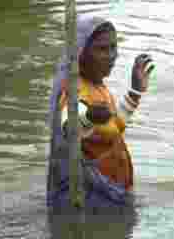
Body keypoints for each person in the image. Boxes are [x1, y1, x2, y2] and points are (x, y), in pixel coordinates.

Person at [46, 15, 154, 212]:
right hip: (90, 201)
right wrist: (88, 117)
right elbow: (69, 126)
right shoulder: (74, 90)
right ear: (80, 53)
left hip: (110, 193)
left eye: (114, 47)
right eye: (102, 49)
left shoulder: (98, 88)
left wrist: (135, 92)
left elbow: (113, 129)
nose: (112, 55)